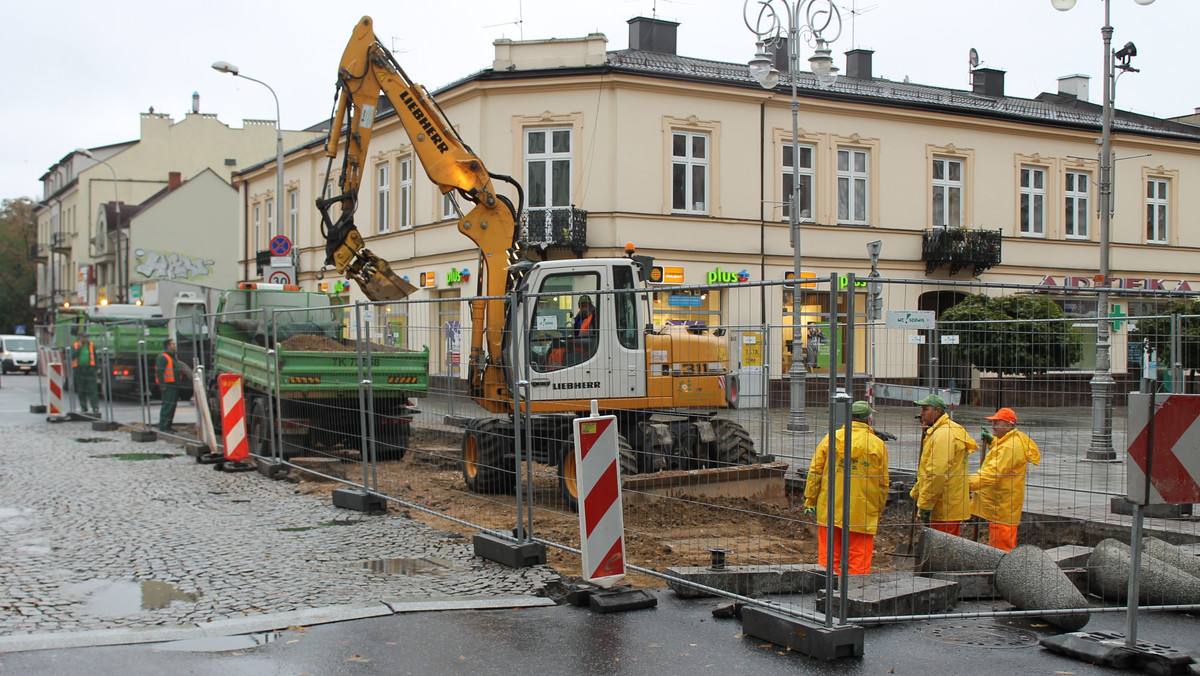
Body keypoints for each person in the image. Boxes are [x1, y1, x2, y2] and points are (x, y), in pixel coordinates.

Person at [803, 401, 890, 575]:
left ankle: (827, 591)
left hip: (830, 507)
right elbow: (883, 482)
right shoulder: (877, 444)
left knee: (828, 556)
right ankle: (855, 593)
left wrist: (810, 500)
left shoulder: (831, 439)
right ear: (869, 420)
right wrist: (878, 508)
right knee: (859, 555)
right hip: (862, 510)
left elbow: (815, 471)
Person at [970, 408, 1041, 551]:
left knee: (1001, 550)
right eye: (993, 422)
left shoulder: (1010, 447)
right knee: (998, 546)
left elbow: (991, 474)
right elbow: (1002, 454)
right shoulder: (1011, 441)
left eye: (998, 423)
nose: (993, 426)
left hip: (1002, 508)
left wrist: (964, 483)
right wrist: (993, 442)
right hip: (1002, 506)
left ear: (1009, 425)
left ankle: (1002, 572)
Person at [911, 394, 978, 536]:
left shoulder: (943, 435)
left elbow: (937, 474)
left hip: (944, 506)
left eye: (925, 409)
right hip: (947, 504)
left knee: (942, 551)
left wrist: (925, 504)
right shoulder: (945, 430)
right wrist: (917, 492)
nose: (921, 413)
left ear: (938, 411)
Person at [155, 339, 193, 432]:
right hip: (168, 385)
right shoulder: (163, 357)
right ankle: (164, 427)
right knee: (167, 406)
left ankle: (168, 426)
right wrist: (162, 385)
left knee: (171, 406)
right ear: (168, 346)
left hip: (174, 384)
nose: (175, 346)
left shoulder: (172, 357)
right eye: (173, 344)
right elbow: (160, 371)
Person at [71, 329, 100, 415]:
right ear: (79, 337)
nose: (84, 339)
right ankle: (83, 407)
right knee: (81, 391)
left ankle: (95, 407)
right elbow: (72, 356)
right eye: (83, 337)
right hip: (79, 371)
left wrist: (95, 368)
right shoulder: (76, 345)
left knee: (92, 390)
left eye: (85, 337)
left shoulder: (91, 345)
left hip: (90, 371)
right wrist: (78, 349)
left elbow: (95, 357)